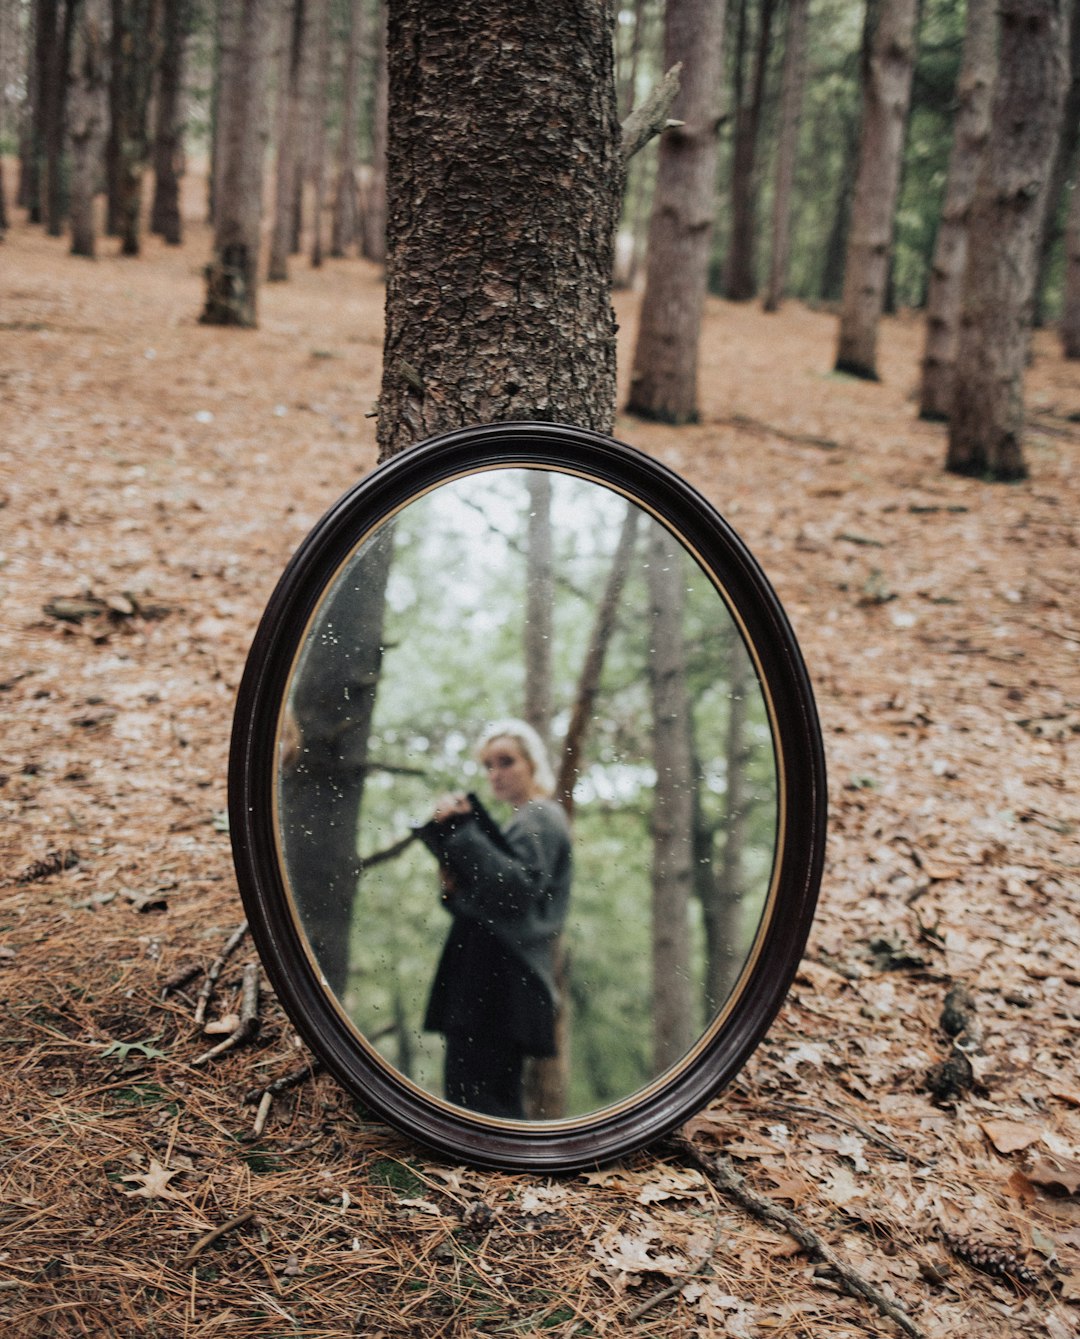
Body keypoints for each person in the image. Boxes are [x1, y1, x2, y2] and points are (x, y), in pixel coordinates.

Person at [416, 720, 571, 1119]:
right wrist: (454, 887)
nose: (496, 773)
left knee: (481, 1100)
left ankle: (495, 1180)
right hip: (493, 972)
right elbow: (494, 899)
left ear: (532, 764)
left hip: (504, 975)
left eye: (507, 762)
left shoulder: (540, 815)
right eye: (488, 765)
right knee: (476, 1093)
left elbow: (516, 891)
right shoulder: (521, 820)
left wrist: (465, 834)